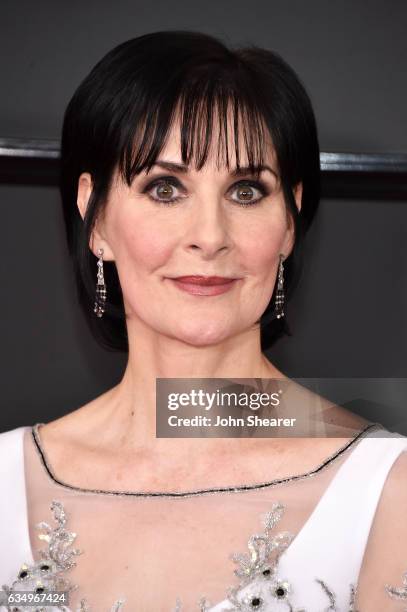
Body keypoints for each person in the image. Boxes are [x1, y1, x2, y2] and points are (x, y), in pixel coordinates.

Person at [0, 30, 406, 612]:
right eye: (165, 188)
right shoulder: (4, 482)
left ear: (289, 222)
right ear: (94, 216)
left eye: (245, 191)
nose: (210, 238)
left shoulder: (389, 490)